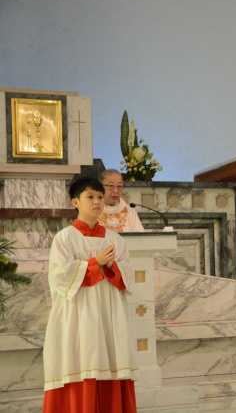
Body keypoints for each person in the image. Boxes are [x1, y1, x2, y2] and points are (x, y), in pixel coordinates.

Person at [42, 177, 138, 412]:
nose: (97, 202)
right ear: (75, 202)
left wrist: (112, 266)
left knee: (110, 361)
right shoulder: (65, 238)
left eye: (99, 197)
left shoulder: (114, 239)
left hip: (109, 316)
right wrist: (96, 263)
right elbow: (61, 276)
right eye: (90, 197)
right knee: (81, 359)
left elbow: (127, 278)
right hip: (79, 315)